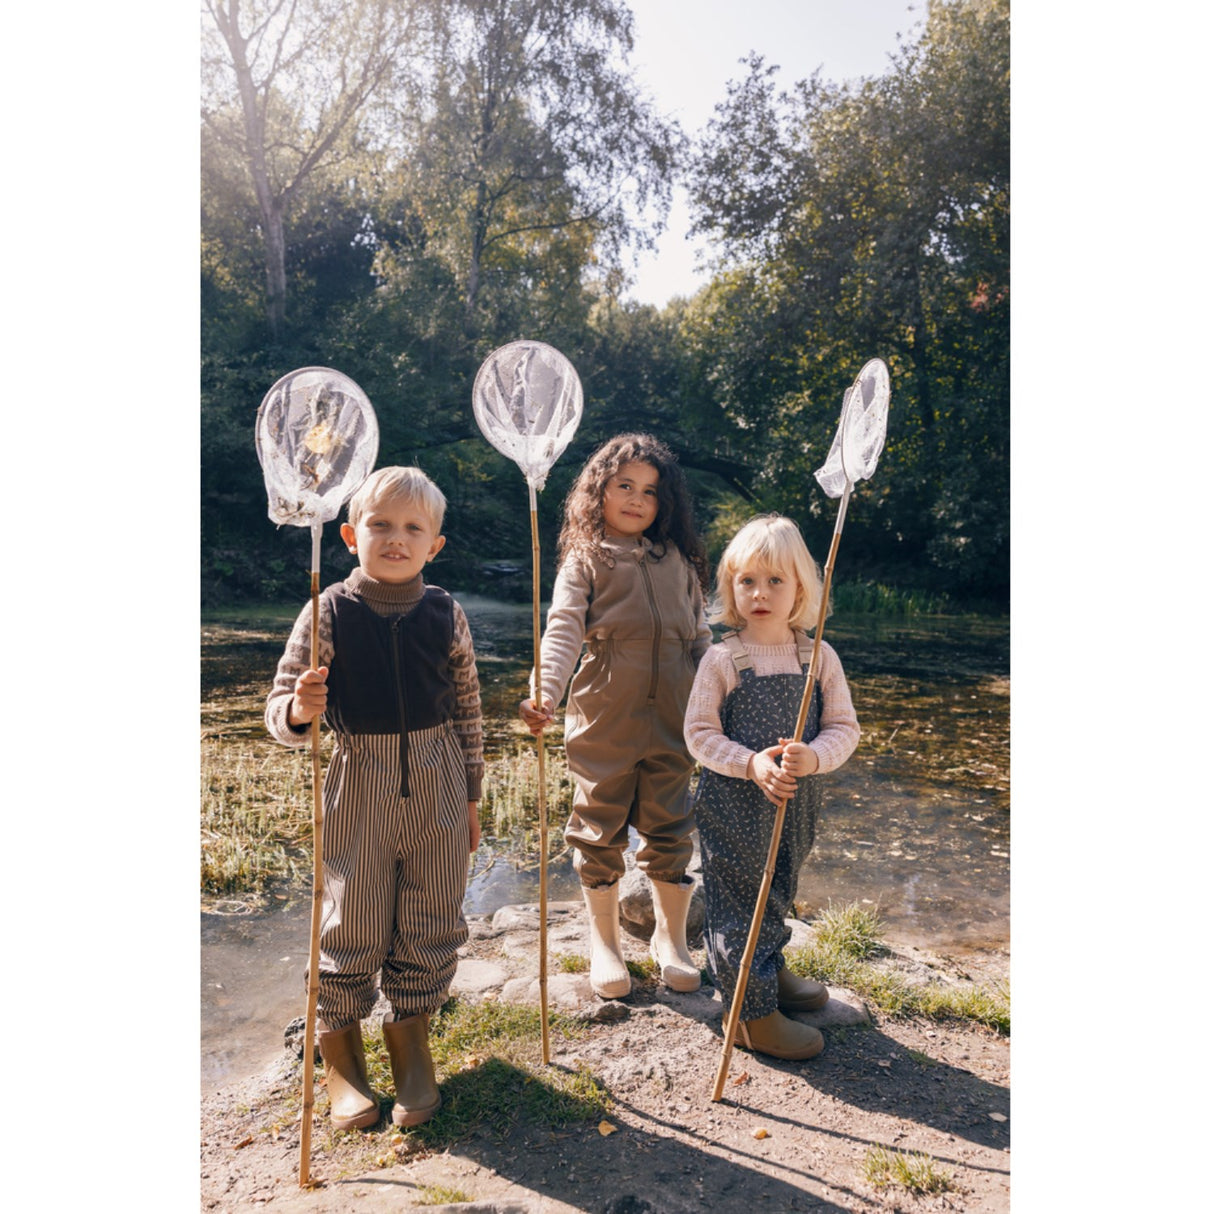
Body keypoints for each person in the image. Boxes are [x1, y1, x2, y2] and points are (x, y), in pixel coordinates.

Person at [265, 466, 483, 1131]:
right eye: (381, 526)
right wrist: (300, 712)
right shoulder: (326, 610)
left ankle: (412, 1043)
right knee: (351, 919)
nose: (396, 539)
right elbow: (279, 712)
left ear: (434, 545)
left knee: (433, 914)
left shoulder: (446, 611)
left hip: (440, 779)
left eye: (413, 528)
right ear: (351, 534)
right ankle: (340, 1055)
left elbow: (470, 708)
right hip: (359, 778)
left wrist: (472, 796)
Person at [520, 434, 711, 999]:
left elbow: (702, 639)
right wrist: (544, 692)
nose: (636, 499)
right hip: (605, 712)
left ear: (665, 503)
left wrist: (718, 701)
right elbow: (562, 632)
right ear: (597, 491)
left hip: (675, 716)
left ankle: (669, 940)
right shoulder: (586, 559)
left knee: (672, 823)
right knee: (598, 824)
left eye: (650, 491)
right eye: (623, 485)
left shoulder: (677, 561)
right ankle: (605, 944)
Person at [685, 514, 860, 1060]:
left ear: (802, 589)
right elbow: (698, 733)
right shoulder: (723, 658)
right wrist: (749, 763)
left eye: (776, 581)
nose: (760, 593)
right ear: (731, 588)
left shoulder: (818, 656)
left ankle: (768, 970)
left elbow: (844, 729)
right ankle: (750, 1014)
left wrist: (813, 757)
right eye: (748, 581)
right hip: (734, 805)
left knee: (779, 889)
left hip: (797, 802)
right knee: (740, 901)